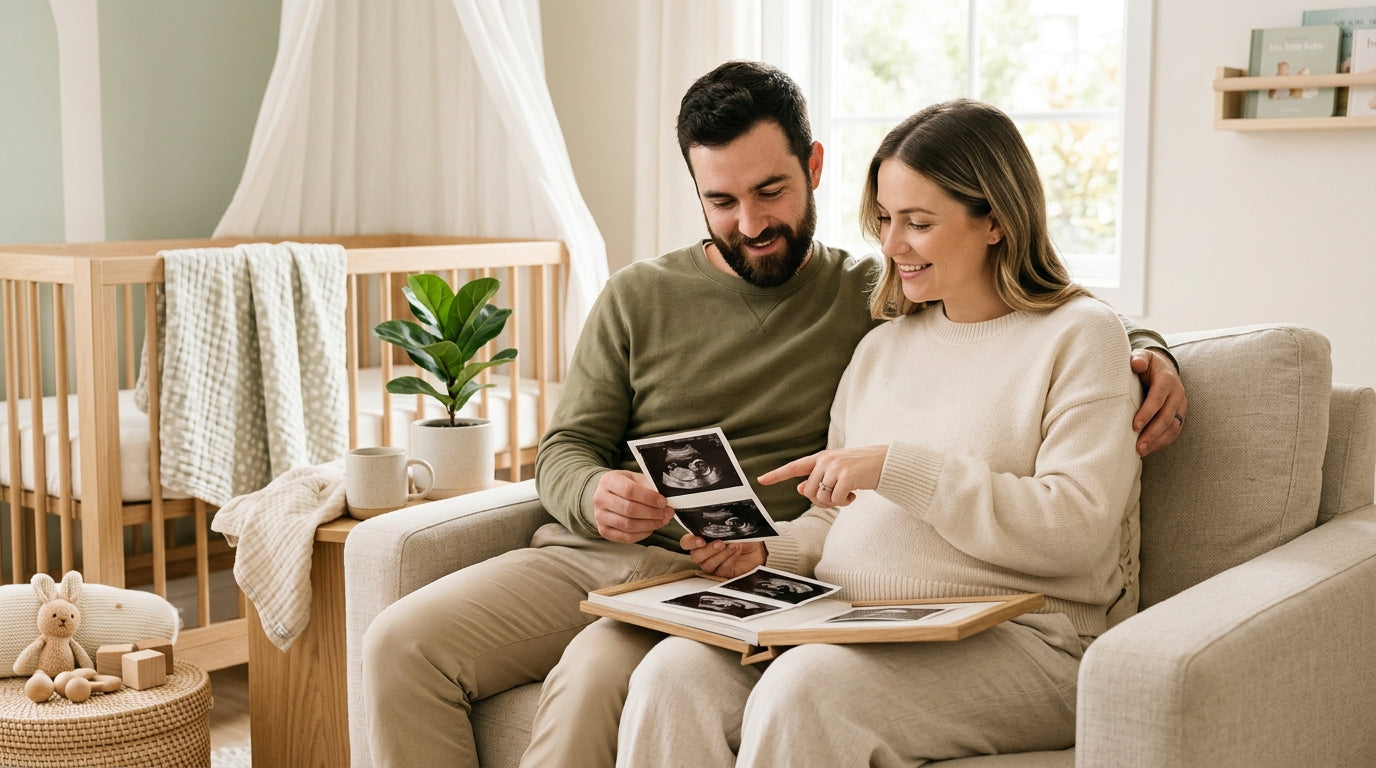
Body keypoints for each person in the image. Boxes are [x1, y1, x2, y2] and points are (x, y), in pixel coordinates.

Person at [359, 61, 1186, 768]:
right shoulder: (874, 337)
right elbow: (579, 449)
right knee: (470, 651)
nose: (749, 223)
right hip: (706, 570)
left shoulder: (872, 300)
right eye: (720, 200)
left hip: (951, 619)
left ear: (813, 166)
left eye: (770, 191)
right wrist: (634, 505)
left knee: (732, 681)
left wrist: (1153, 353)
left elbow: (1054, 326)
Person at [615, 97, 1144, 767]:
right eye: (887, 220)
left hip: (1024, 639)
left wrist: (901, 467)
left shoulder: (1077, 336)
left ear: (996, 222)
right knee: (674, 673)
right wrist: (762, 553)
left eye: (918, 223)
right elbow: (832, 524)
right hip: (852, 622)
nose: (891, 246)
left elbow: (1076, 531)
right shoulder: (882, 349)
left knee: (809, 687)